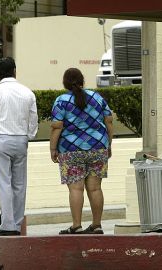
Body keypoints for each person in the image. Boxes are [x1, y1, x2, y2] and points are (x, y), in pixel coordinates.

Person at [50, 68, 113, 234]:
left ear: (65, 82)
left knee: (76, 189)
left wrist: (53, 148)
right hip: (98, 148)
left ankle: (76, 226)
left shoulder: (61, 101)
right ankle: (96, 225)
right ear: (82, 81)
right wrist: (109, 144)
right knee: (95, 188)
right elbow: (109, 121)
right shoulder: (97, 98)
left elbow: (57, 127)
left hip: (71, 150)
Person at [0, 57, 38, 237]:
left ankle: (7, 224)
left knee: (4, 183)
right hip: (20, 140)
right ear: (14, 71)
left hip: (0, 140)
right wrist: (28, 136)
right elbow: (33, 120)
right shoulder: (28, 93)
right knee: (20, 185)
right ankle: (17, 224)